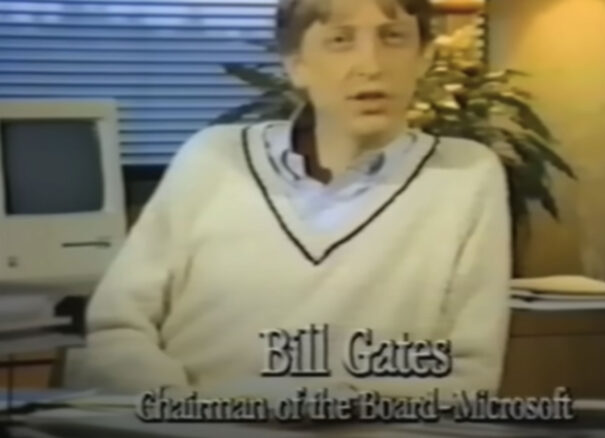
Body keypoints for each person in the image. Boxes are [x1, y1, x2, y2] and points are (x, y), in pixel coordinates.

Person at [83, 0, 511, 399]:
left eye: (393, 37)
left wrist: (334, 409)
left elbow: (469, 376)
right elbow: (118, 329)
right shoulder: (213, 157)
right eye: (340, 40)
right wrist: (181, 413)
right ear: (296, 65)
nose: (371, 65)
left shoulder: (466, 174)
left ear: (424, 56)